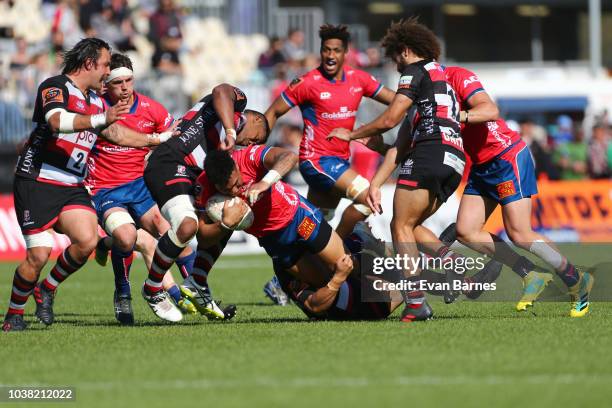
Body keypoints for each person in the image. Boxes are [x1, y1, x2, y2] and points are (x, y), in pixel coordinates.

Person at [3, 38, 167, 332]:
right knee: (38, 255)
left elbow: (116, 133)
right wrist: (101, 118)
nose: (108, 71)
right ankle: (14, 314)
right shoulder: (55, 86)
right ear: (90, 63)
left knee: (87, 241)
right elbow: (56, 121)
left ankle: (47, 288)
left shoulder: (94, 100)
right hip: (38, 180)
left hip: (72, 184)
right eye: (105, 64)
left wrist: (157, 140)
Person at [328, 18, 465, 322]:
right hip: (454, 158)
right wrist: (376, 183)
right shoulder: (439, 80)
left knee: (399, 227)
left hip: (430, 151)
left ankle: (416, 303)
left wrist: (351, 134)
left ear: (404, 51)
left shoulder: (414, 72)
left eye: (396, 62)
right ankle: (455, 266)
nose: (398, 69)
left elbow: (390, 119)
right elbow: (400, 144)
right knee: (411, 226)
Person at [444, 65, 594, 317]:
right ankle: (531, 273)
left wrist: (458, 116)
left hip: (505, 156)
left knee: (519, 233)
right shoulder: (419, 94)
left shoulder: (454, 76)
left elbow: (491, 109)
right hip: (481, 166)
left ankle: (577, 280)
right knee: (465, 232)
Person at [141, 83, 269, 322]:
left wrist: (227, 223)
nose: (251, 145)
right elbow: (220, 90)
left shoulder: (220, 158)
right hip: (167, 160)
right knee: (186, 226)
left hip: (190, 175)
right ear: (255, 121)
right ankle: (153, 288)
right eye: (257, 138)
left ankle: (198, 280)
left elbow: (206, 236)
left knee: (227, 213)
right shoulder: (235, 108)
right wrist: (231, 131)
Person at [86, 53, 195, 325]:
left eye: (129, 80)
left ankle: (199, 289)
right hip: (107, 190)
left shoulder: (152, 109)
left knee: (173, 235)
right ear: (105, 85)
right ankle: (123, 293)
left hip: (139, 187)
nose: (124, 87)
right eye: (117, 82)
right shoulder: (96, 110)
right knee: (126, 237)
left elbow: (175, 138)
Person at [265, 24, 395, 239]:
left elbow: (398, 102)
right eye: (326, 50)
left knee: (314, 223)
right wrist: (257, 152)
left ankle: (291, 261)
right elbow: (273, 112)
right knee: (368, 198)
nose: (330, 55)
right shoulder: (307, 83)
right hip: (316, 160)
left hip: (340, 161)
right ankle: (339, 247)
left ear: (345, 53)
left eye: (336, 50)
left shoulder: (359, 79)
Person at [193, 145, 355, 317]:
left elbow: (289, 156)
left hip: (300, 218)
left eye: (236, 184)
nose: (235, 191)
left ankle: (378, 292)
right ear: (215, 184)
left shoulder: (248, 157)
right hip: (276, 242)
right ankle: (288, 286)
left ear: (235, 166)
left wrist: (265, 182)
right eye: (226, 190)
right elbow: (202, 238)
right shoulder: (204, 187)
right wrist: (224, 224)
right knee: (325, 282)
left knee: (347, 265)